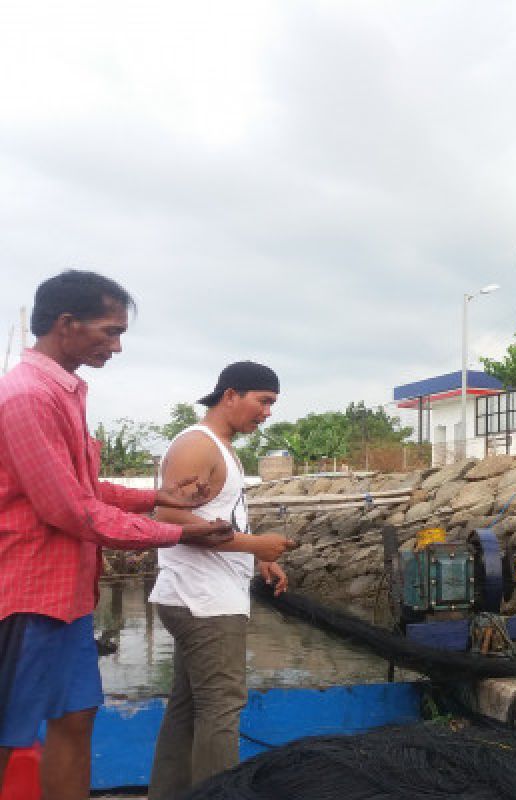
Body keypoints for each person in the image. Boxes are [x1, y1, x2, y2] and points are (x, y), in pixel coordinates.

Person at [0, 271, 241, 800]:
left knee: (75, 718)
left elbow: (82, 486)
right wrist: (179, 534)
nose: (116, 346)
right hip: (27, 596)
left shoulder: (65, 391)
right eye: (110, 332)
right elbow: (71, 511)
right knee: (8, 734)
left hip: (66, 598)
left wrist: (159, 497)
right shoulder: (28, 397)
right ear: (67, 324)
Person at [147, 361, 297, 798]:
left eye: (272, 404)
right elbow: (170, 517)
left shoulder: (222, 446)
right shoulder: (198, 445)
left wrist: (258, 560)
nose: (268, 412)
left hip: (201, 597)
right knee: (221, 708)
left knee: (188, 706)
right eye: (263, 401)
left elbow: (211, 518)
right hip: (204, 603)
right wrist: (255, 547)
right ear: (230, 395)